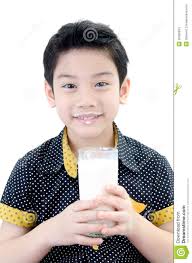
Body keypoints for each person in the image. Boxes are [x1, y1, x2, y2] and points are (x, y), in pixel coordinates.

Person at [0, 20, 173, 263]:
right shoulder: (31, 170)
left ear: (123, 89)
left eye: (101, 84)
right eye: (70, 85)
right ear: (51, 93)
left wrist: (135, 226)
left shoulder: (152, 167)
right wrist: (50, 232)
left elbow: (181, 254)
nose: (86, 100)